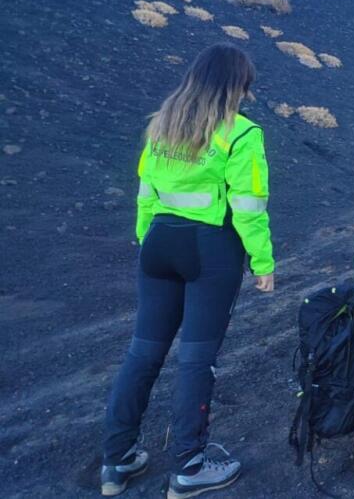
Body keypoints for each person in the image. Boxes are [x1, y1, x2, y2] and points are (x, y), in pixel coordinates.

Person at [100, 44, 275, 498]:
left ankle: (116, 461)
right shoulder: (242, 133)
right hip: (210, 250)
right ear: (237, 86)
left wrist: (145, 240)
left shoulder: (162, 123)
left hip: (159, 244)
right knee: (197, 359)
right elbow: (249, 205)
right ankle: (189, 467)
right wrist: (263, 262)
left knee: (143, 352)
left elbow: (146, 193)